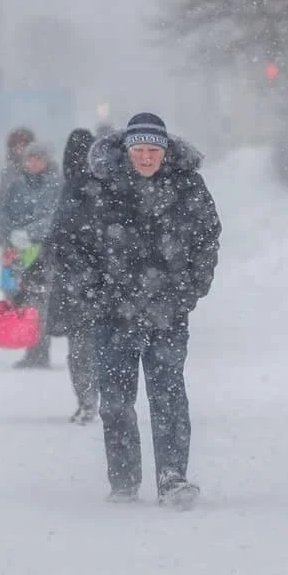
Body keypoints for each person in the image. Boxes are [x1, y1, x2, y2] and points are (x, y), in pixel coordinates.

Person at [55, 112, 221, 507]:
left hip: (168, 313)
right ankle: (125, 479)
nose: (146, 158)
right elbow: (68, 244)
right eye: (139, 150)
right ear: (126, 150)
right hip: (112, 316)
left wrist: (188, 291)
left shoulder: (187, 186)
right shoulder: (96, 187)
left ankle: (172, 478)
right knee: (115, 400)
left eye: (153, 150)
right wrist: (94, 295)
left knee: (168, 395)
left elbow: (207, 239)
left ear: (165, 150)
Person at [0, 140, 63, 368]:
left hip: (42, 253)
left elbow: (54, 217)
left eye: (38, 158)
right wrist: (10, 235)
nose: (33, 162)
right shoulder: (16, 184)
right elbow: (3, 212)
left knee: (38, 301)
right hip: (15, 251)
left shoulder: (56, 185)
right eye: (30, 158)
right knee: (15, 295)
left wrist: (29, 233)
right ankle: (29, 345)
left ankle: (39, 352)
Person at [46, 128, 100, 423]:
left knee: (79, 349)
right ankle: (91, 400)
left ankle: (87, 400)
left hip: (76, 281)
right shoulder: (99, 186)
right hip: (92, 282)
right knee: (88, 347)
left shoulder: (73, 190)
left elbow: (59, 232)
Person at [0, 127, 35, 246]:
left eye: (23, 145)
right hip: (11, 230)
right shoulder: (8, 173)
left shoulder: (39, 169)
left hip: (33, 230)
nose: (20, 150)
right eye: (16, 146)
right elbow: (1, 202)